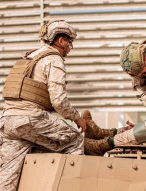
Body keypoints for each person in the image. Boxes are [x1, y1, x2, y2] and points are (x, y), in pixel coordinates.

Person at [0, 20, 86, 191]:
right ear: (61, 40)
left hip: (8, 121)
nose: (70, 47)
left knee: (7, 174)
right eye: (70, 42)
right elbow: (59, 101)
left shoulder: (30, 57)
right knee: (74, 140)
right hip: (31, 119)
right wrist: (77, 118)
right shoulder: (53, 58)